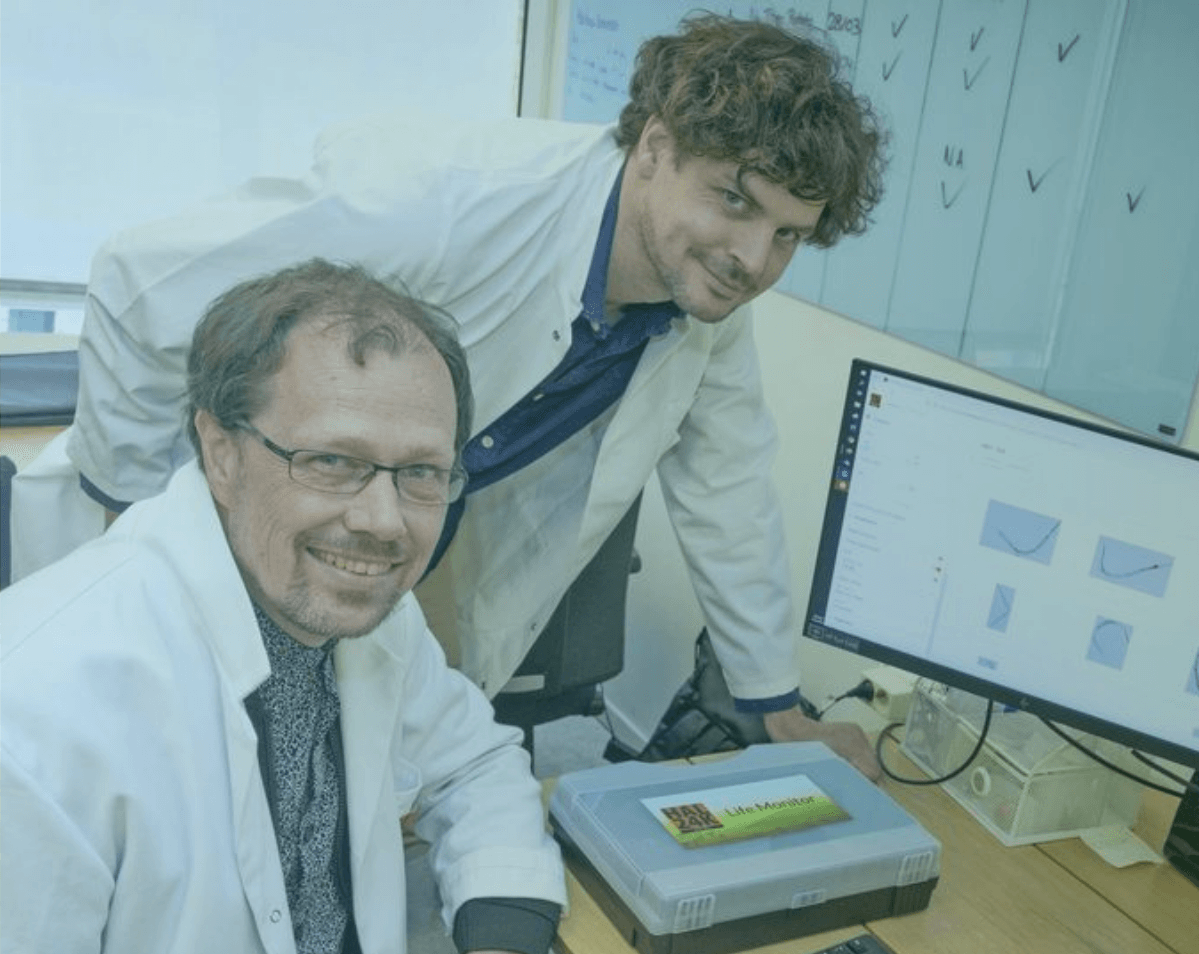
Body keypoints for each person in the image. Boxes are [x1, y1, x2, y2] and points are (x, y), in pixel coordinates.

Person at [10, 14, 887, 778]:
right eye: (732, 201)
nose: (753, 258)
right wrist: (128, 523)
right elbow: (136, 281)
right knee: (111, 775)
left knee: (312, 791)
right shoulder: (446, 202)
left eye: (787, 235)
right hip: (198, 512)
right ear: (655, 149)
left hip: (380, 550)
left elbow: (730, 497)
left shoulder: (703, 312)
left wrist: (774, 708)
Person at [0, 260, 709, 954]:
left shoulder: (348, 609)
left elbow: (479, 760)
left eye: (420, 474)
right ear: (219, 448)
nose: (382, 523)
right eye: (331, 461)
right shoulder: (42, 709)